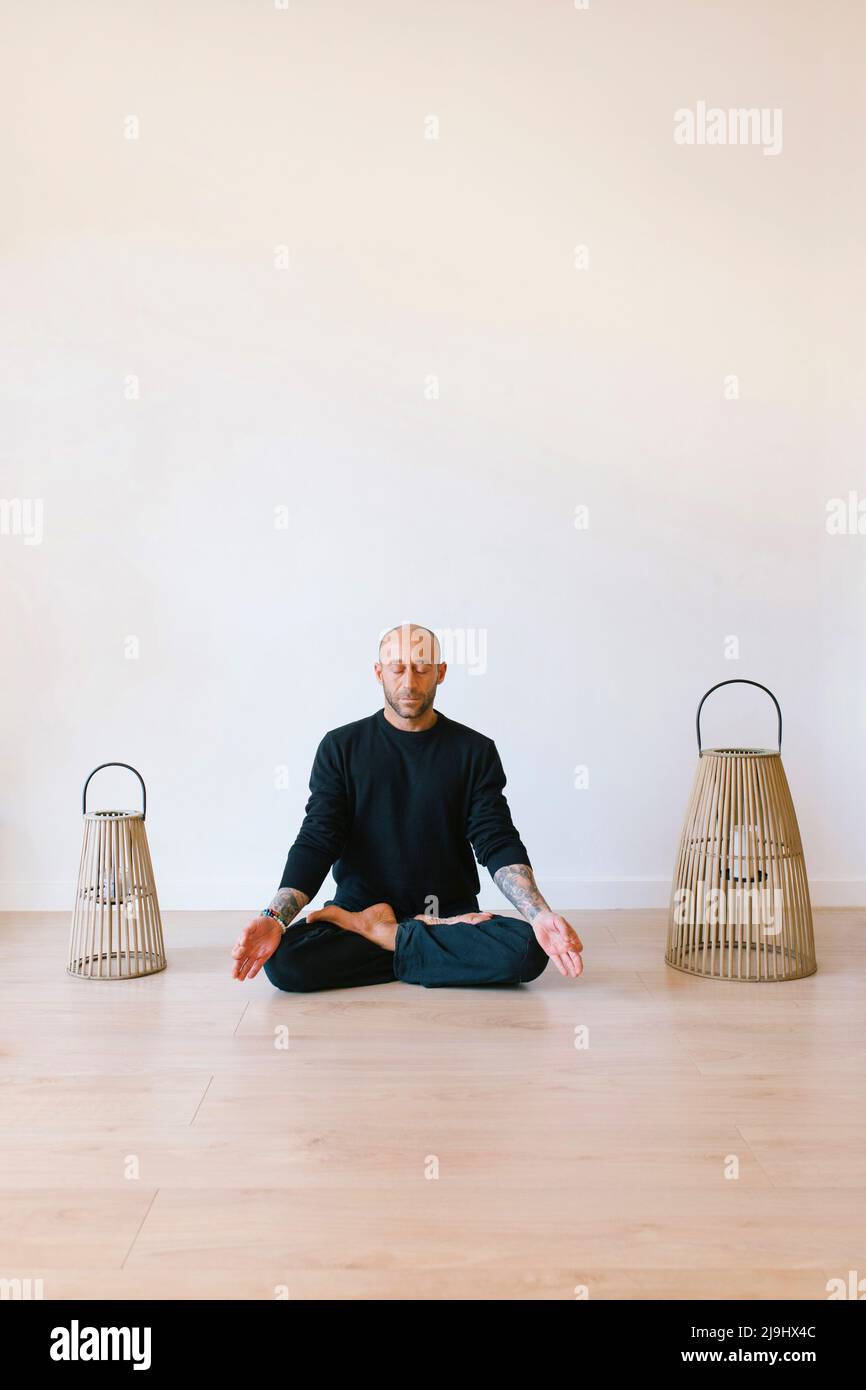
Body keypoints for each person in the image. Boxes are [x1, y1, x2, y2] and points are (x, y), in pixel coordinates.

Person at [231, 621, 584, 991]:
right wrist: (274, 917)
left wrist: (540, 914)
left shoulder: (474, 751)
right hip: (361, 909)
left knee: (529, 948)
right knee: (286, 964)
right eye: (398, 668)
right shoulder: (340, 748)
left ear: (440, 673)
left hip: (447, 915)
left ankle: (384, 936)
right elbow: (318, 840)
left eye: (421, 668)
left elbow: (495, 838)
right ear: (378, 672)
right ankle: (417, 948)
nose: (409, 682)